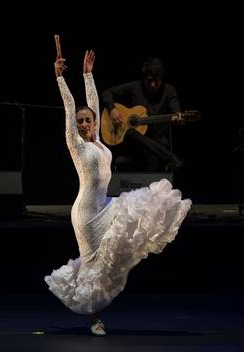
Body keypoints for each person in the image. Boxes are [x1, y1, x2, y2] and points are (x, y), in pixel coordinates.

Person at [44, 50, 191, 336]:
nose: (84, 123)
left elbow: (94, 103)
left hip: (106, 205)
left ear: (95, 123)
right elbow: (69, 107)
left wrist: (88, 74)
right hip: (86, 214)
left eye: (88, 120)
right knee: (93, 265)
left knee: (144, 210)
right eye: (80, 122)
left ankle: (97, 314)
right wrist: (60, 78)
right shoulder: (76, 145)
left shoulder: (98, 141)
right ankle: (95, 318)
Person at [101, 57, 185, 172]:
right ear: (143, 79)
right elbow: (107, 92)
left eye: (157, 81)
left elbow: (177, 113)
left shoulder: (169, 91)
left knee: (153, 161)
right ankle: (170, 157)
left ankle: (164, 158)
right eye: (149, 80)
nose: (153, 84)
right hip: (135, 144)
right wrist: (112, 110)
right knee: (130, 132)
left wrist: (179, 119)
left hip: (158, 143)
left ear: (162, 79)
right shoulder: (135, 87)